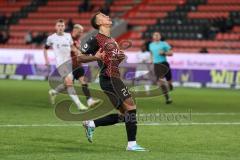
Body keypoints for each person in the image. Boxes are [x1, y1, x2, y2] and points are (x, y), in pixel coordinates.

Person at [81, 12, 146, 151]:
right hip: (108, 78)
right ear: (99, 23)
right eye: (103, 16)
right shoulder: (95, 39)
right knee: (131, 108)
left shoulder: (112, 40)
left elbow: (113, 61)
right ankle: (132, 145)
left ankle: (92, 123)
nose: (108, 17)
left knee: (125, 115)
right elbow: (80, 58)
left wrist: (120, 57)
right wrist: (95, 57)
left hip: (113, 78)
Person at [44, 19, 91, 111]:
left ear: (64, 27)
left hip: (69, 63)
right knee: (69, 83)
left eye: (62, 26)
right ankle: (79, 105)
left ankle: (53, 92)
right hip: (61, 64)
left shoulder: (68, 36)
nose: (60, 28)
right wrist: (46, 60)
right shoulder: (51, 38)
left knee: (67, 84)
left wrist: (77, 52)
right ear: (56, 27)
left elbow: (72, 47)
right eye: (59, 26)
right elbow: (45, 48)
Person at [71, 24, 100, 107]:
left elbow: (79, 52)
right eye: (80, 32)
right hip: (69, 66)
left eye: (82, 32)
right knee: (68, 85)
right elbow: (74, 50)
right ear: (75, 30)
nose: (81, 34)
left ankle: (89, 101)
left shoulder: (78, 41)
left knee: (84, 82)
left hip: (77, 65)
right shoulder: (68, 39)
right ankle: (54, 91)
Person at [149, 32, 173, 104]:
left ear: (160, 36)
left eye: (157, 35)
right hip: (156, 65)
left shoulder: (164, 44)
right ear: (153, 36)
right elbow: (151, 53)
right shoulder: (151, 45)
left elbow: (171, 53)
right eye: (155, 35)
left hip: (164, 63)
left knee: (169, 80)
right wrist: (151, 61)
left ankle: (170, 85)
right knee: (160, 81)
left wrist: (164, 53)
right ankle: (167, 98)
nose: (156, 36)